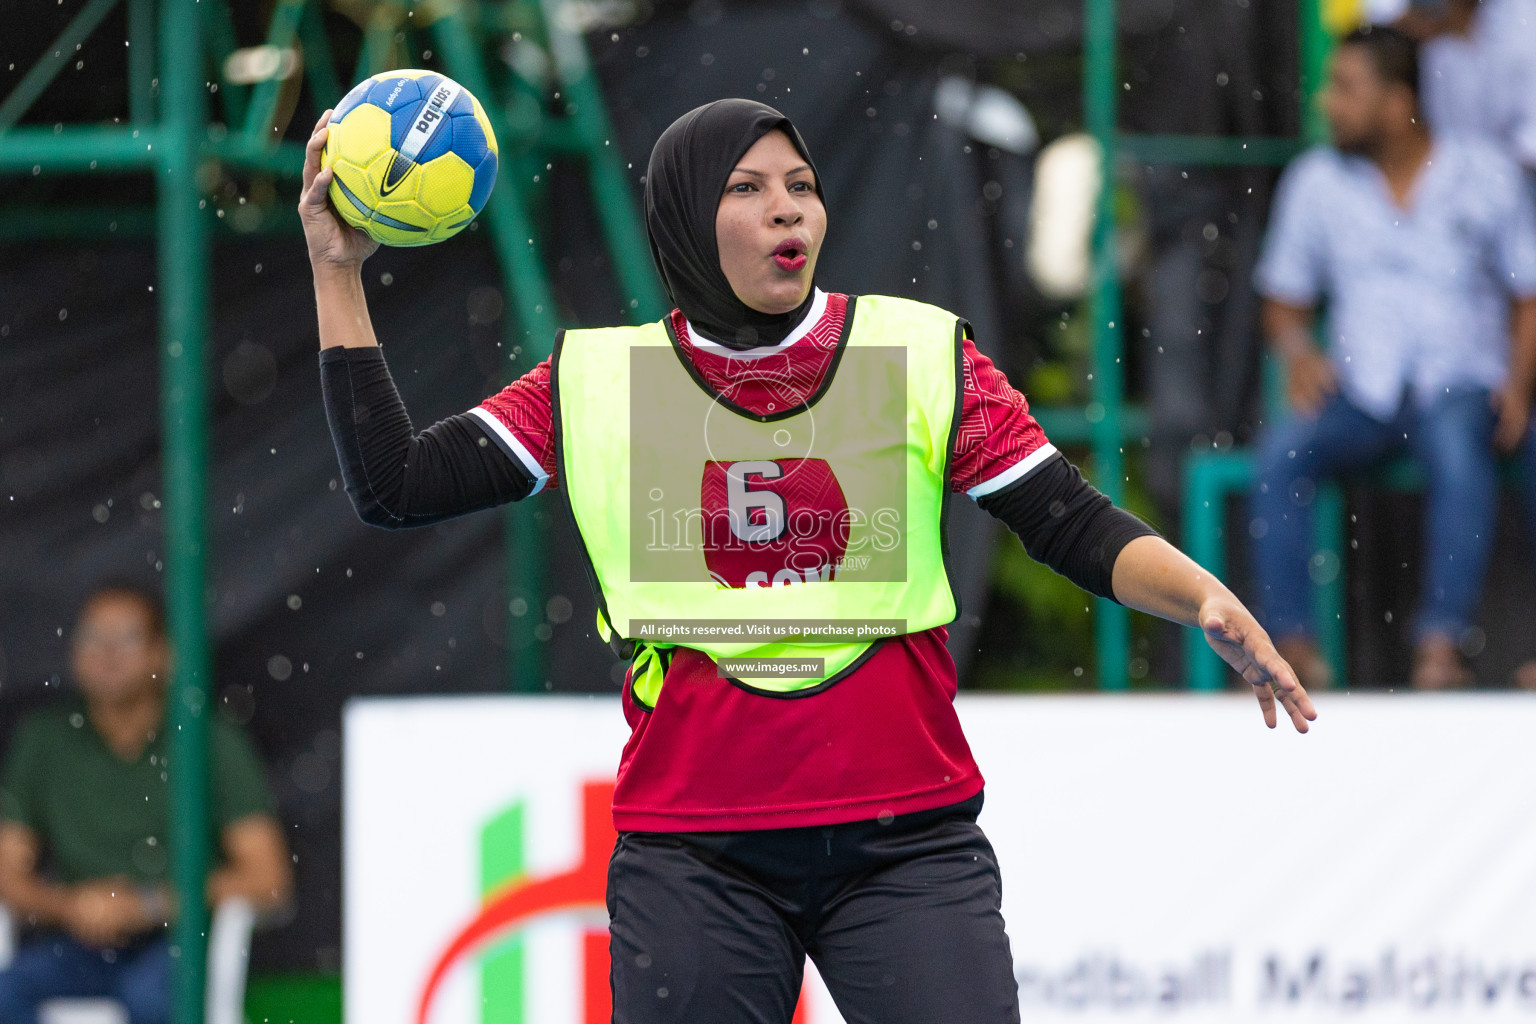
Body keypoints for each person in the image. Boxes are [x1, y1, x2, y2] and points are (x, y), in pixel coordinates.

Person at [300, 97, 1314, 1023]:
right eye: (747, 189)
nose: (789, 209)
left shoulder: (917, 355)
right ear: (689, 221)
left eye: (802, 186)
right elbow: (395, 483)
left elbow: (1069, 521)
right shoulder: (596, 381)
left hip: (906, 844)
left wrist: (1202, 595)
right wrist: (338, 268)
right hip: (694, 855)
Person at [1250, 26, 1536, 691]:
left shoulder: (1483, 172)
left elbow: (1528, 293)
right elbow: (1284, 299)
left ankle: (1440, 644)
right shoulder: (1317, 180)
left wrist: (1520, 385)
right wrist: (1298, 352)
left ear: (1396, 100)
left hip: (1461, 384)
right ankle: (1291, 647)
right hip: (1363, 391)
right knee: (1282, 456)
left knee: (1462, 456)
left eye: (1346, 89)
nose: (1329, 103)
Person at [0, 584, 292, 1024]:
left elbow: (268, 878)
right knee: (7, 992)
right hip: (79, 943)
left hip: (176, 940)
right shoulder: (44, 739)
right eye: (93, 637)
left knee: (152, 999)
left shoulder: (207, 739)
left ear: (165, 654)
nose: (108, 653)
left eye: (127, 637)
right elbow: (7, 868)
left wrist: (148, 904)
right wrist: (71, 906)